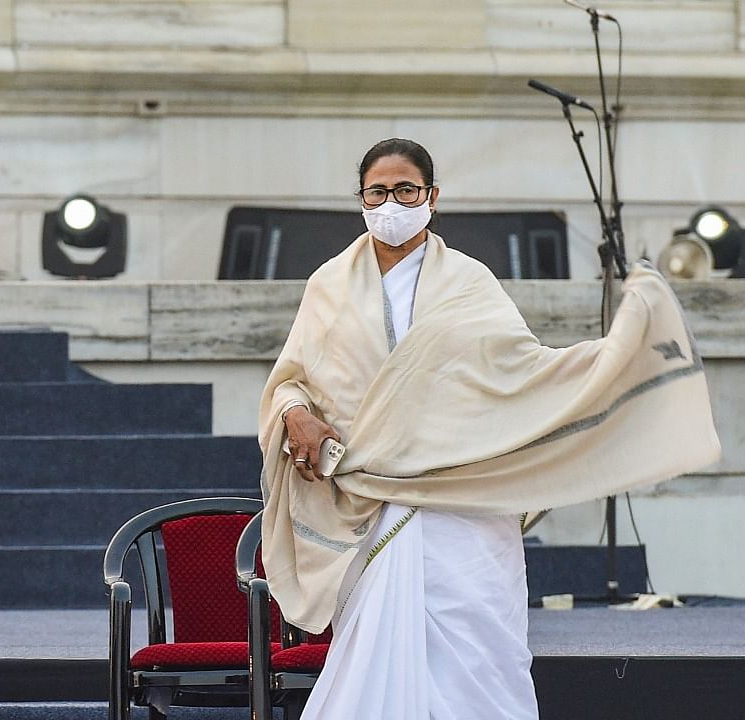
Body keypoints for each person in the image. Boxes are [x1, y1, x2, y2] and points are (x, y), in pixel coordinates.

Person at [259, 138, 720, 719]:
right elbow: (292, 379)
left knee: (477, 655)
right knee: (380, 654)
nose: (392, 203)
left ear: (432, 196)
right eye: (379, 191)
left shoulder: (470, 282)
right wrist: (295, 414)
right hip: (370, 500)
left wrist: (611, 361)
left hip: (467, 500)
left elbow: (520, 375)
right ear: (361, 199)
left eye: (406, 189)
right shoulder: (327, 284)